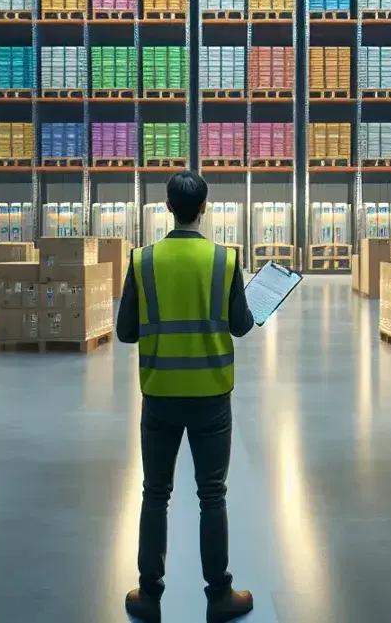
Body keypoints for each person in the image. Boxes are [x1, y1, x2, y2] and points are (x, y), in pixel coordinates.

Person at [116, 170, 257, 623]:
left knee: (155, 493)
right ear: (205, 207)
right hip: (211, 396)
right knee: (211, 495)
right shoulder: (225, 260)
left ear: (167, 207)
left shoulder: (142, 261)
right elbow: (240, 325)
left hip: (159, 393)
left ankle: (149, 597)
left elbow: (124, 332)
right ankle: (219, 596)